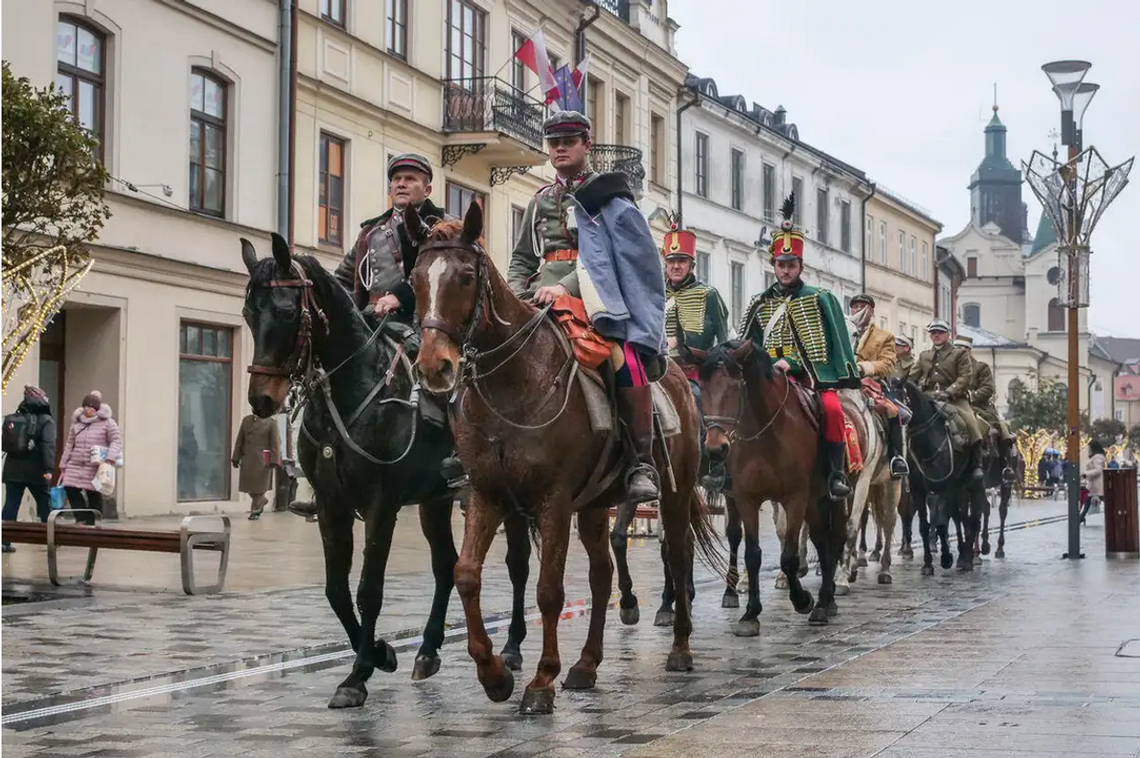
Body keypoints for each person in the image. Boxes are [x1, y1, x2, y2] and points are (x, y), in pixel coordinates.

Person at [507, 110, 666, 504]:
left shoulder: (609, 198)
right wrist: (514, 294)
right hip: (537, 300)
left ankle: (640, 462)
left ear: (586, 145)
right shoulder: (539, 200)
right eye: (553, 143)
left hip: (596, 300)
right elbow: (522, 260)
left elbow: (617, 260)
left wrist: (563, 289)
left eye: (569, 141)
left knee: (623, 359)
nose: (559, 148)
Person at [291, 153, 460, 518]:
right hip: (370, 324)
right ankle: (324, 478)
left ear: (427, 187)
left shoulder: (441, 226)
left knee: (447, 379)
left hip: (425, 322)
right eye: (397, 178)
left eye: (411, 178)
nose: (402, 183)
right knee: (329, 377)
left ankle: (460, 458)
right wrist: (321, 301)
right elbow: (341, 278)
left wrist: (397, 297)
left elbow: (432, 271)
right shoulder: (371, 232)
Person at [738, 194, 861, 501]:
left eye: (791, 265)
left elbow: (826, 344)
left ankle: (835, 473)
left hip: (809, 377)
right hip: (768, 376)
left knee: (832, 409)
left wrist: (791, 364)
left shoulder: (819, 298)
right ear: (773, 265)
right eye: (781, 265)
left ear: (800, 266)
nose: (785, 271)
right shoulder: (760, 302)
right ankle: (726, 469)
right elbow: (747, 342)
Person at [909, 321, 984, 481]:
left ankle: (976, 463)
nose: (936, 335)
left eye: (940, 332)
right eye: (933, 332)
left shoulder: (959, 354)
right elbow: (913, 377)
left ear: (948, 334)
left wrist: (950, 392)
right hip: (928, 398)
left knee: (971, 423)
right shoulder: (924, 356)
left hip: (954, 399)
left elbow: (965, 377)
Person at [848, 294, 907, 479]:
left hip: (871, 386)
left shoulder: (884, 337)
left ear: (872, 311)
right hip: (841, 383)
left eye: (863, 306)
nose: (858, 310)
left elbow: (888, 364)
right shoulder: (842, 330)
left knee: (893, 411)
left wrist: (864, 368)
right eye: (855, 306)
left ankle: (896, 458)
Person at [2, 386, 56, 552]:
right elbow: (48, 446)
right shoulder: (46, 420)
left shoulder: (15, 417)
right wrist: (48, 469)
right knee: (45, 504)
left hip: (13, 468)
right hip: (36, 469)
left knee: (11, 505)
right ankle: (51, 539)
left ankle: (3, 541)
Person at [954, 334, 1016, 479]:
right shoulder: (950, 369)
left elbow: (988, 388)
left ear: (969, 351)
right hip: (953, 405)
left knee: (1001, 427)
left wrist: (971, 396)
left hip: (979, 407)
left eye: (962, 350)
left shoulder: (981, 368)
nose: (959, 353)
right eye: (956, 350)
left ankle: (1005, 464)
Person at [58, 391, 122, 525]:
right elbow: (70, 443)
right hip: (75, 462)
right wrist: (63, 463)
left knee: (92, 492)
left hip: (95, 464)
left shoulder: (107, 422)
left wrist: (110, 458)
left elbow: (116, 440)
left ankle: (93, 520)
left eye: (92, 408)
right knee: (70, 488)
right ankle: (81, 517)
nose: (89, 410)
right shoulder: (77, 422)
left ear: (97, 409)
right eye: (86, 407)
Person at [232, 412, 282, 520]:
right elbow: (240, 440)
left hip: (263, 459)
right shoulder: (246, 420)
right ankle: (261, 501)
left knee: (259, 487)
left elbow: (275, 443)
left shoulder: (271, 423)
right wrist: (236, 457)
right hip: (247, 457)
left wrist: (275, 460)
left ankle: (255, 509)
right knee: (249, 486)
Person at [1081, 440, 1107, 523]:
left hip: (1097, 484)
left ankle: (1081, 517)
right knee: (1088, 500)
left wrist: (1086, 474)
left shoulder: (1097, 457)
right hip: (1094, 483)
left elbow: (1098, 470)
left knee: (1093, 499)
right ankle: (1081, 517)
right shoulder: (1095, 456)